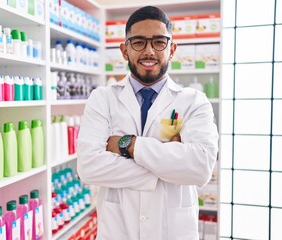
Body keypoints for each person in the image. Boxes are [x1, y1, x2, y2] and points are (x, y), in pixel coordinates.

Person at [77, 5, 219, 240]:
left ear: (172, 49)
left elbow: (200, 168)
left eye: (159, 42)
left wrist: (128, 146)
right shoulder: (102, 99)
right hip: (118, 230)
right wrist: (167, 164)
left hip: (173, 231)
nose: (149, 51)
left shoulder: (194, 101)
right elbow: (89, 167)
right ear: (124, 50)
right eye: (139, 42)